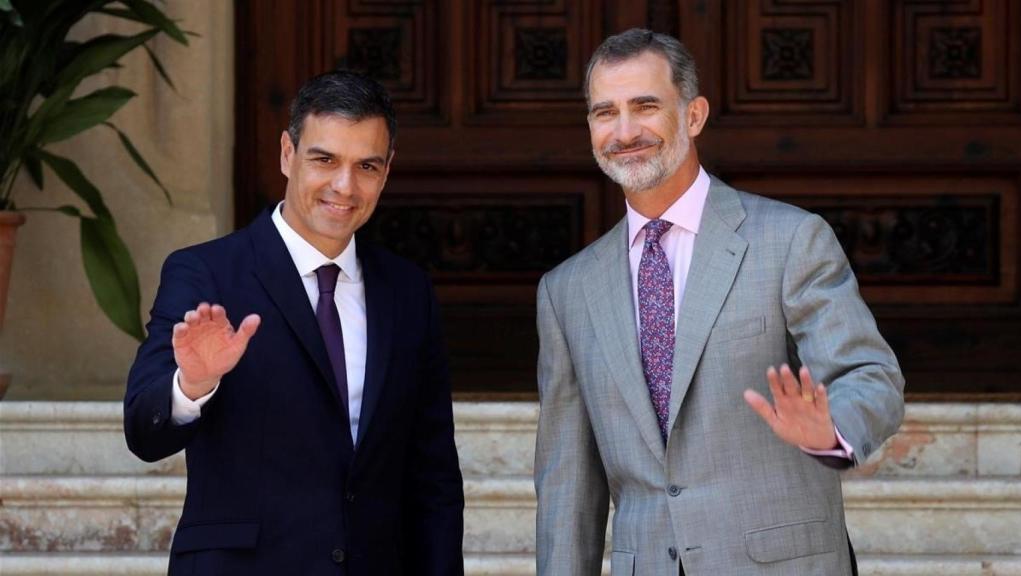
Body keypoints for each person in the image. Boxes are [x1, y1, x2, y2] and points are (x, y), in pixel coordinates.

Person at [534, 29, 904, 576]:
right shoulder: (566, 290)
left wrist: (831, 431)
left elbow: (869, 374)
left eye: (646, 106)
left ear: (694, 115)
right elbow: (567, 482)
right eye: (605, 112)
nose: (625, 131)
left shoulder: (790, 240)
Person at [124, 70, 464, 576]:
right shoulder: (207, 272)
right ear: (288, 154)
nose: (344, 186)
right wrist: (193, 384)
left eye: (366, 165)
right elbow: (143, 433)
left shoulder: (407, 291)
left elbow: (433, 474)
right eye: (324, 159)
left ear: (387, 171)